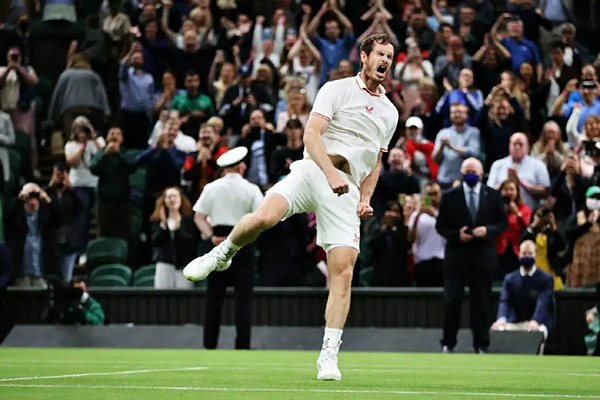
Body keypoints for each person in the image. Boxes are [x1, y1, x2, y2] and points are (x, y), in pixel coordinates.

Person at [183, 34, 399, 380]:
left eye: (390, 55)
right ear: (364, 56)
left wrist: (365, 198)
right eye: (380, 54)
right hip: (313, 171)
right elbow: (311, 136)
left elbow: (375, 162)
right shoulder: (335, 89)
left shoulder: (390, 112)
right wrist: (329, 172)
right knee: (264, 217)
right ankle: (222, 253)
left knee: (343, 272)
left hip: (345, 190)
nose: (385, 60)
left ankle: (328, 356)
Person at [192, 147, 263, 349]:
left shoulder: (211, 188)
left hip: (217, 244)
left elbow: (199, 217)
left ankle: (209, 344)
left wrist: (212, 237)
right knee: (244, 300)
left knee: (213, 298)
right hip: (242, 244)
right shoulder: (251, 189)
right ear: (241, 167)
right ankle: (243, 345)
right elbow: (259, 219)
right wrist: (246, 238)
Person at [435, 157, 508, 353]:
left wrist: (487, 230)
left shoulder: (492, 195)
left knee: (482, 304)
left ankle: (481, 345)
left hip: (483, 259)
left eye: (474, 172)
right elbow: (441, 226)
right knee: (452, 302)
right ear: (461, 173)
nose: (471, 175)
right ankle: (448, 343)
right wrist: (457, 235)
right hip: (457, 258)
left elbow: (502, 223)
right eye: (467, 172)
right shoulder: (450, 196)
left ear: (481, 174)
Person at [491, 240, 554, 349]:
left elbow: (543, 302)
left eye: (530, 254)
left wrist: (535, 321)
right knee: (497, 330)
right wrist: (501, 319)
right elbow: (504, 301)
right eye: (524, 253)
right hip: (514, 322)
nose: (527, 256)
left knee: (537, 332)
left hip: (537, 323)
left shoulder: (545, 279)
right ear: (519, 255)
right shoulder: (510, 279)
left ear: (536, 256)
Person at [64, 116, 105, 255]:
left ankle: (100, 249)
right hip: (79, 184)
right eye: (79, 128)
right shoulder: (71, 145)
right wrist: (82, 146)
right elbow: (72, 161)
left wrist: (92, 136)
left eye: (84, 128)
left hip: (96, 184)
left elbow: (105, 154)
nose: (82, 131)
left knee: (100, 218)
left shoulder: (98, 141)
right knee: (82, 219)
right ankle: (81, 251)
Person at [5, 183, 58, 288]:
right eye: (29, 198)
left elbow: (59, 220)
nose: (32, 202)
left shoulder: (45, 214)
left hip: (41, 269)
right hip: (21, 271)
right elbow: (7, 218)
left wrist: (48, 201)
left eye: (35, 197)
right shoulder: (18, 215)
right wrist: (18, 200)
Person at [90, 125, 136, 241]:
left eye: (117, 133)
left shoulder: (126, 153)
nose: (114, 135)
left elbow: (132, 167)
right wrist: (105, 155)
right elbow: (93, 169)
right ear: (106, 138)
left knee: (123, 232)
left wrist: (118, 153)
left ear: (122, 139)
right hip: (104, 200)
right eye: (111, 133)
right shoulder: (100, 154)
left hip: (122, 200)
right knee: (103, 231)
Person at [0, 47, 39, 176]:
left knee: (27, 139)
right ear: (7, 58)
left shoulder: (27, 69)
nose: (14, 59)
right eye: (12, 56)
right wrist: (9, 70)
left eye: (17, 56)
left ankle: (31, 169)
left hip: (22, 110)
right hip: (5, 110)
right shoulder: (2, 70)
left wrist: (19, 69)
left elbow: (34, 81)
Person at [488, 133, 551, 211]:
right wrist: (506, 181)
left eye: (521, 144)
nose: (517, 147)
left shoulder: (538, 165)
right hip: (502, 212)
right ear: (509, 146)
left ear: (528, 147)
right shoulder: (497, 165)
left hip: (531, 211)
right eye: (514, 144)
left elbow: (545, 192)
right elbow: (489, 191)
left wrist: (521, 182)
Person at [150, 187, 198, 289]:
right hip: (165, 263)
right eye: (169, 197)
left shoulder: (188, 220)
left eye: (175, 196)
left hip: (183, 265)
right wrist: (164, 224)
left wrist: (177, 227)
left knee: (183, 294)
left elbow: (190, 242)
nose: (172, 199)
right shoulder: (157, 220)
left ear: (181, 199)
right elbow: (156, 241)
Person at [46, 162, 83, 284]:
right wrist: (50, 187)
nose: (60, 178)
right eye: (57, 175)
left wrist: (71, 189)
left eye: (62, 175)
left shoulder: (72, 194)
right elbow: (44, 210)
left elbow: (80, 209)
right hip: (52, 242)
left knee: (66, 279)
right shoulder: (49, 194)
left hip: (69, 242)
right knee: (54, 279)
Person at [433, 102, 481, 189]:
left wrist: (452, 147)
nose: (457, 115)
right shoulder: (442, 133)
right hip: (444, 178)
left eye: (460, 112)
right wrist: (441, 147)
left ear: (466, 115)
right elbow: (435, 159)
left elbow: (474, 153)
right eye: (454, 113)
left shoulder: (473, 132)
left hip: (464, 179)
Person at [306, 1, 354, 86]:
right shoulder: (322, 44)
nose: (331, 31)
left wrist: (335, 10)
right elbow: (310, 31)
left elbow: (349, 26)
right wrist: (321, 11)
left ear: (339, 30)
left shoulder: (345, 43)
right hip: (325, 82)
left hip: (342, 82)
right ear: (325, 31)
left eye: (333, 28)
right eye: (328, 29)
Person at [408, 181, 445, 287]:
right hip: (422, 261)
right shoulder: (416, 215)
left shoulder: (446, 213)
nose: (433, 198)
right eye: (429, 194)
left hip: (442, 260)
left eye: (435, 194)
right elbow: (410, 239)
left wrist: (434, 215)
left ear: (441, 194)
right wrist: (417, 217)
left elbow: (448, 233)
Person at [364, 200, 410, 286]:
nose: (392, 214)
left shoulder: (404, 230)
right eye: (389, 210)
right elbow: (373, 245)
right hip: (380, 273)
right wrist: (385, 229)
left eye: (395, 211)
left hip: (399, 274)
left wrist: (391, 229)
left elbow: (404, 245)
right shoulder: (377, 228)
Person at [119, 42, 155, 150]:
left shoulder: (149, 78)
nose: (136, 59)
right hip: (128, 113)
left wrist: (150, 110)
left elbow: (150, 96)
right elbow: (123, 65)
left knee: (142, 144)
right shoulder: (127, 75)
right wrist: (131, 51)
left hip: (143, 115)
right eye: (134, 57)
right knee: (128, 144)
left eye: (139, 57)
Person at [520, 207, 566, 290]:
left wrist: (554, 226)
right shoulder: (530, 232)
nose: (542, 218)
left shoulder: (552, 233)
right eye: (539, 215)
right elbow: (522, 243)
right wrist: (534, 225)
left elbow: (561, 246)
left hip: (550, 268)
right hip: (533, 267)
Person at [495, 178, 532, 281]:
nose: (509, 192)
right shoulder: (495, 208)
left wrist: (517, 214)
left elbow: (526, 227)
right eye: (505, 189)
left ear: (517, 192)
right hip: (498, 249)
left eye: (511, 189)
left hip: (516, 249)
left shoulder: (524, 209)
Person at [565, 186, 600, 288]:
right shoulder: (578, 216)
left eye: (598, 198)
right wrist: (587, 224)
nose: (595, 201)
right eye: (592, 197)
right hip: (579, 261)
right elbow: (568, 233)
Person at [373, 147, 420, 217]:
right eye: (394, 156)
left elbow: (416, 190)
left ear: (404, 160)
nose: (397, 158)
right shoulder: (383, 177)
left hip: (404, 213)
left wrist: (407, 171)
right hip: (384, 213)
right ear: (388, 159)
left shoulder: (409, 177)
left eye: (399, 156)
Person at [171, 71, 215, 139]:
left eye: (195, 81)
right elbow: (172, 119)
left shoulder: (206, 100)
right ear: (185, 83)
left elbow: (212, 118)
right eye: (189, 81)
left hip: (202, 132)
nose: (193, 84)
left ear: (199, 82)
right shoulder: (177, 100)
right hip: (181, 132)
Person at [270, 119, 304, 183]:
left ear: (301, 130)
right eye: (290, 128)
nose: (293, 131)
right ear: (286, 130)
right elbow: (273, 176)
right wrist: (285, 168)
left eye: (296, 128)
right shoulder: (278, 153)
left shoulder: (306, 152)